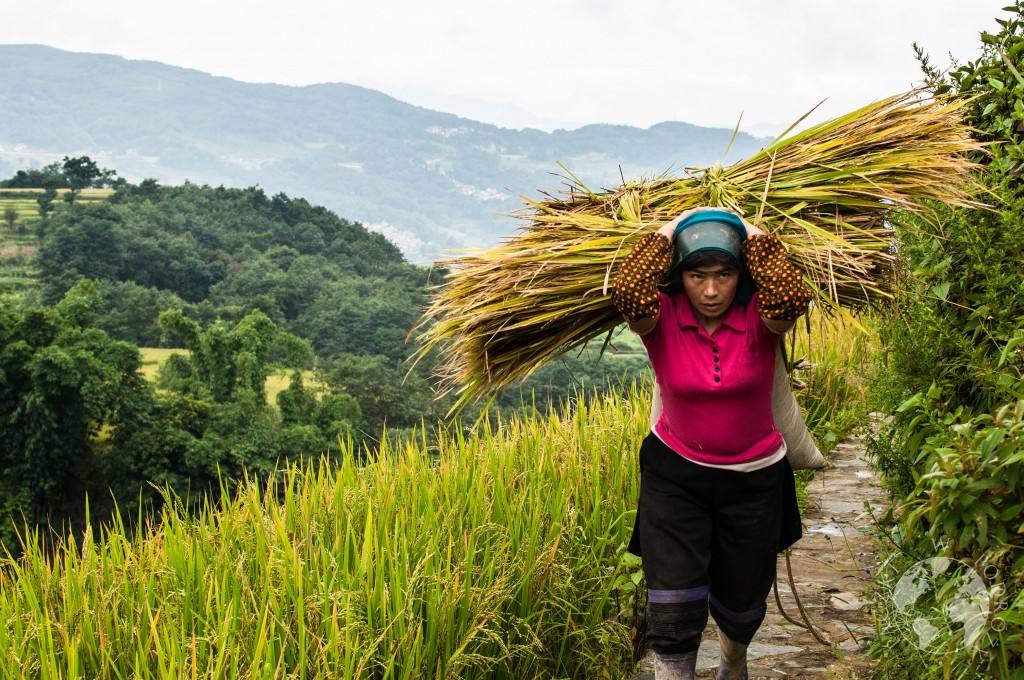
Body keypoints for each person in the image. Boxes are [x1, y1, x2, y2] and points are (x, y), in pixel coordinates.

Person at [611, 207, 812, 680]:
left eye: (723, 274)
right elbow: (626, 289)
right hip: (675, 475)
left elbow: (791, 294)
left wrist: (743, 228)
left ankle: (732, 660)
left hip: (755, 479)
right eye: (697, 275)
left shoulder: (761, 319)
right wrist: (678, 225)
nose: (709, 290)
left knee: (743, 601)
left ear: (740, 276)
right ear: (679, 278)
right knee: (673, 603)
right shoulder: (661, 320)